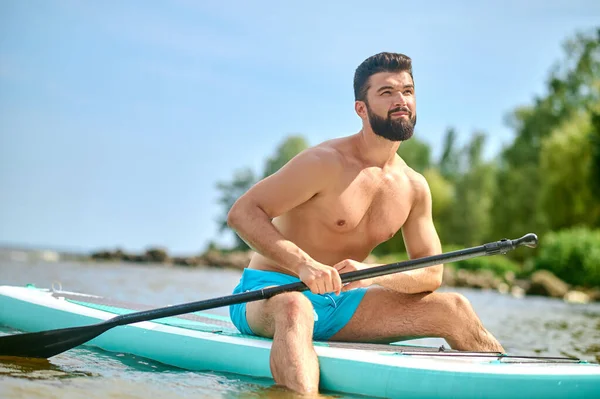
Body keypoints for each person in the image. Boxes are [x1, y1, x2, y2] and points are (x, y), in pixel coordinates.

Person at [227, 52, 504, 394]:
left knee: (454, 308)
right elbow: (242, 212)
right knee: (295, 306)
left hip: (342, 301)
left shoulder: (414, 187)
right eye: (386, 92)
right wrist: (304, 266)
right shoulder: (324, 163)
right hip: (271, 293)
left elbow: (432, 274)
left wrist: (372, 272)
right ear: (361, 109)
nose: (401, 100)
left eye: (407, 91)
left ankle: (516, 386)